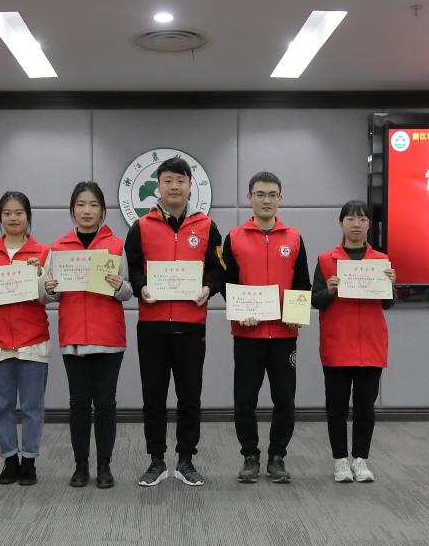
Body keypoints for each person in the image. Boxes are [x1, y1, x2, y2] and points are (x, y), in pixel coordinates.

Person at [126, 157, 224, 487]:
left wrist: (208, 288)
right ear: (158, 185)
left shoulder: (207, 227)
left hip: (191, 325)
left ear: (190, 186)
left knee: (190, 396)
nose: (174, 186)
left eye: (180, 180)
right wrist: (141, 287)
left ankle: (186, 460)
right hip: (152, 325)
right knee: (153, 396)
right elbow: (133, 267)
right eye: (168, 180)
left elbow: (218, 268)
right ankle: (156, 460)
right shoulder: (141, 227)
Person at [221, 171, 310, 484]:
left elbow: (303, 283)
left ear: (280, 198)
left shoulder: (294, 238)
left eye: (272, 194)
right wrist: (239, 312)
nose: (266, 200)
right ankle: (250, 455)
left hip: (284, 335)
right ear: (249, 198)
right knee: (244, 399)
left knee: (284, 398)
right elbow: (228, 284)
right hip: (248, 334)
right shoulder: (234, 237)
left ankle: (277, 457)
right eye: (260, 194)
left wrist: (296, 313)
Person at [42, 182, 132, 489]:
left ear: (102, 210)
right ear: (72, 210)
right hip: (74, 338)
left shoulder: (116, 245)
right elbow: (48, 295)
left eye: (93, 205)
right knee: (79, 404)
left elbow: (128, 291)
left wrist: (119, 285)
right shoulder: (58, 248)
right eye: (80, 205)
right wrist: (49, 289)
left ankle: (104, 466)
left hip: (108, 338)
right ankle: (81, 466)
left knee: (105, 404)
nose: (87, 211)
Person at [311, 200, 396, 483]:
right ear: (341, 223)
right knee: (336, 407)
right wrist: (329, 290)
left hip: (370, 344)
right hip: (337, 344)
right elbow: (314, 300)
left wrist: (391, 284)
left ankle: (361, 460)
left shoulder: (380, 261)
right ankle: (340, 461)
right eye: (350, 219)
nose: (356, 224)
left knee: (365, 408)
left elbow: (388, 304)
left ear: (370, 224)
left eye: (362, 219)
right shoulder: (326, 259)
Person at [0, 191, 50, 486]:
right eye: (7, 213)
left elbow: (48, 296)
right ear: (0, 217)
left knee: (32, 407)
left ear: (28, 216)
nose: (13, 218)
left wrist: (40, 277)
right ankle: (9, 459)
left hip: (33, 340)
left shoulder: (42, 252)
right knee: (2, 406)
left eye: (19, 212)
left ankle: (29, 460)